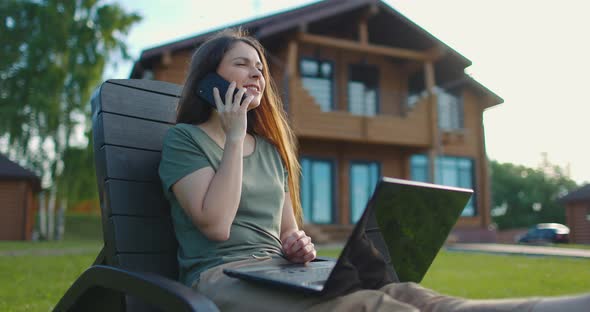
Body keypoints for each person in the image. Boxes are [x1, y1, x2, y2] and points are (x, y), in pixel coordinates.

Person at [158, 28, 589, 311]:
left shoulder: (271, 151)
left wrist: (297, 246)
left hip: (278, 272)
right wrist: (233, 136)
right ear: (208, 81)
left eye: (261, 68)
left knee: (410, 295)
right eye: (241, 65)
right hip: (219, 278)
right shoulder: (185, 141)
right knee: (371, 307)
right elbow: (215, 225)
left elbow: (287, 232)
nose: (256, 74)